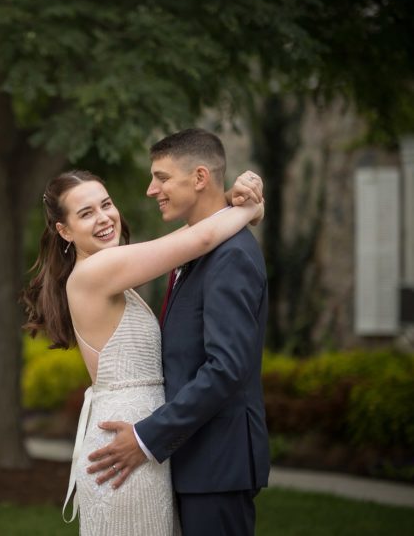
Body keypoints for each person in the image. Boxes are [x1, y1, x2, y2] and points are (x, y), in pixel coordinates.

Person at [21, 159, 263, 535]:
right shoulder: (97, 272)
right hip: (124, 449)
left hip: (141, 443)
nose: (104, 218)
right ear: (64, 231)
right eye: (86, 213)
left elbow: (197, 232)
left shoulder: (107, 270)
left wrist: (229, 200)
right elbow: (197, 240)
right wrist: (250, 207)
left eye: (106, 204)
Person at [85, 128, 270, 536]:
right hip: (196, 461)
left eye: (162, 177)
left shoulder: (231, 256)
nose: (152, 189)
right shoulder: (200, 248)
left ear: (200, 177)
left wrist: (148, 437)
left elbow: (225, 368)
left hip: (219, 464)